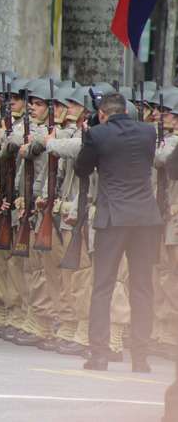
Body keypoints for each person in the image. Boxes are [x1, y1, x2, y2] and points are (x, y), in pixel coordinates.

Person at [75, 92, 162, 373]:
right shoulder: (148, 131)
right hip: (145, 219)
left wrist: (88, 135)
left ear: (102, 113)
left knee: (103, 287)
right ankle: (141, 357)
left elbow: (82, 169)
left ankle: (99, 355)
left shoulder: (98, 135)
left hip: (113, 218)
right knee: (142, 288)